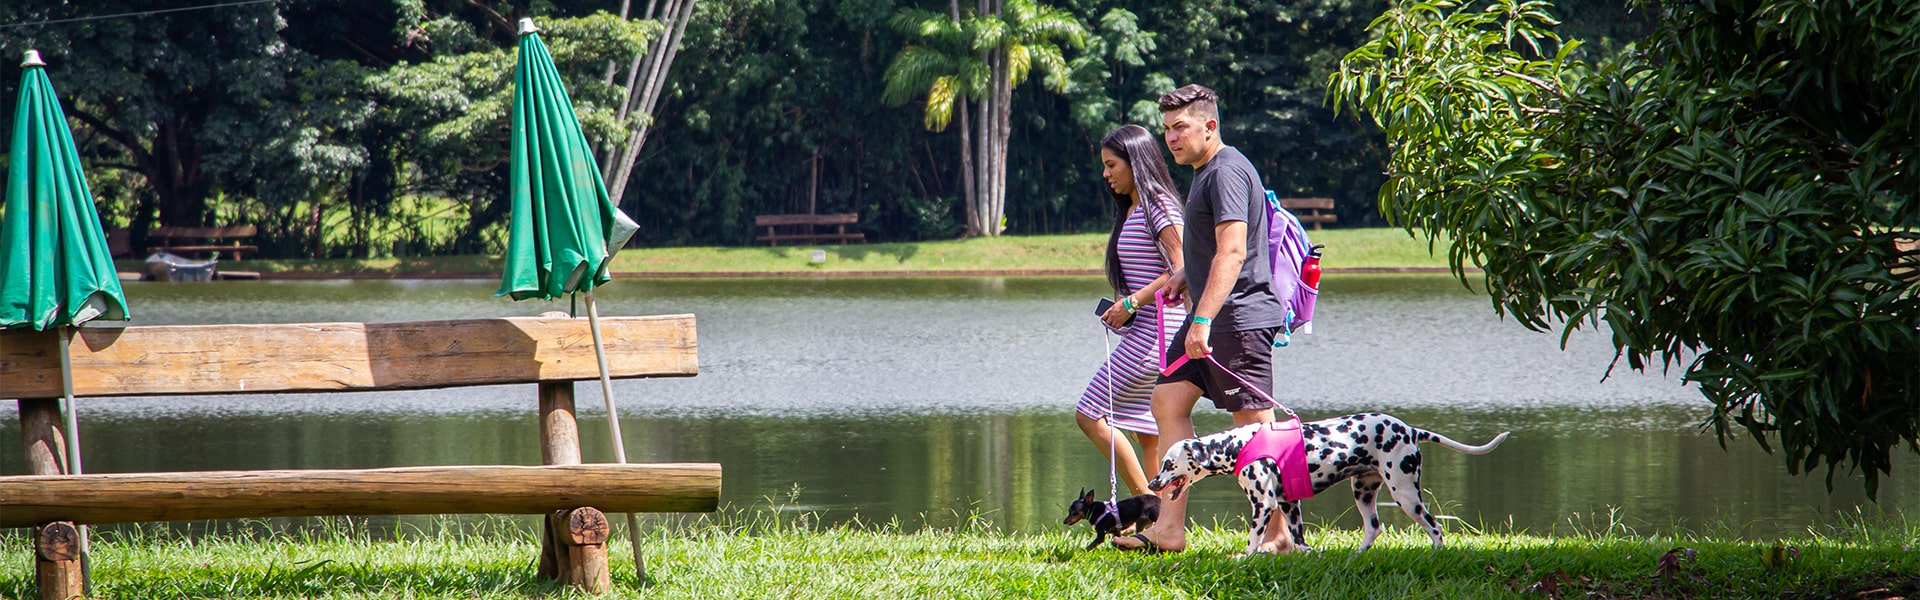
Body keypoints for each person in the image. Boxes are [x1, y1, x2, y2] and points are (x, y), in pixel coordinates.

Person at [1113, 84, 1292, 554]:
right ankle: (1169, 530)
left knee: (1253, 430)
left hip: (1237, 319)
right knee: (1167, 404)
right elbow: (1212, 253)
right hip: (1211, 313)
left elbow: (1234, 253)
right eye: (1167, 129)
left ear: (1209, 126)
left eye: (1181, 127)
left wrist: (1202, 319)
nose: (1171, 138)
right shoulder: (1205, 171)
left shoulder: (1227, 171)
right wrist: (1185, 279)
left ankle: (1280, 536)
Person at [1075, 124, 1187, 496]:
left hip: (1159, 331)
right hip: (1147, 329)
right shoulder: (1134, 209)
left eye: (1111, 165)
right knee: (1149, 434)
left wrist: (1132, 302)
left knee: (1090, 413)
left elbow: (1182, 267)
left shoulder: (1159, 206)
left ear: (1134, 162)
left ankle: (1145, 506)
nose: (1106, 174)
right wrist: (1127, 304)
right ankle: (1161, 517)